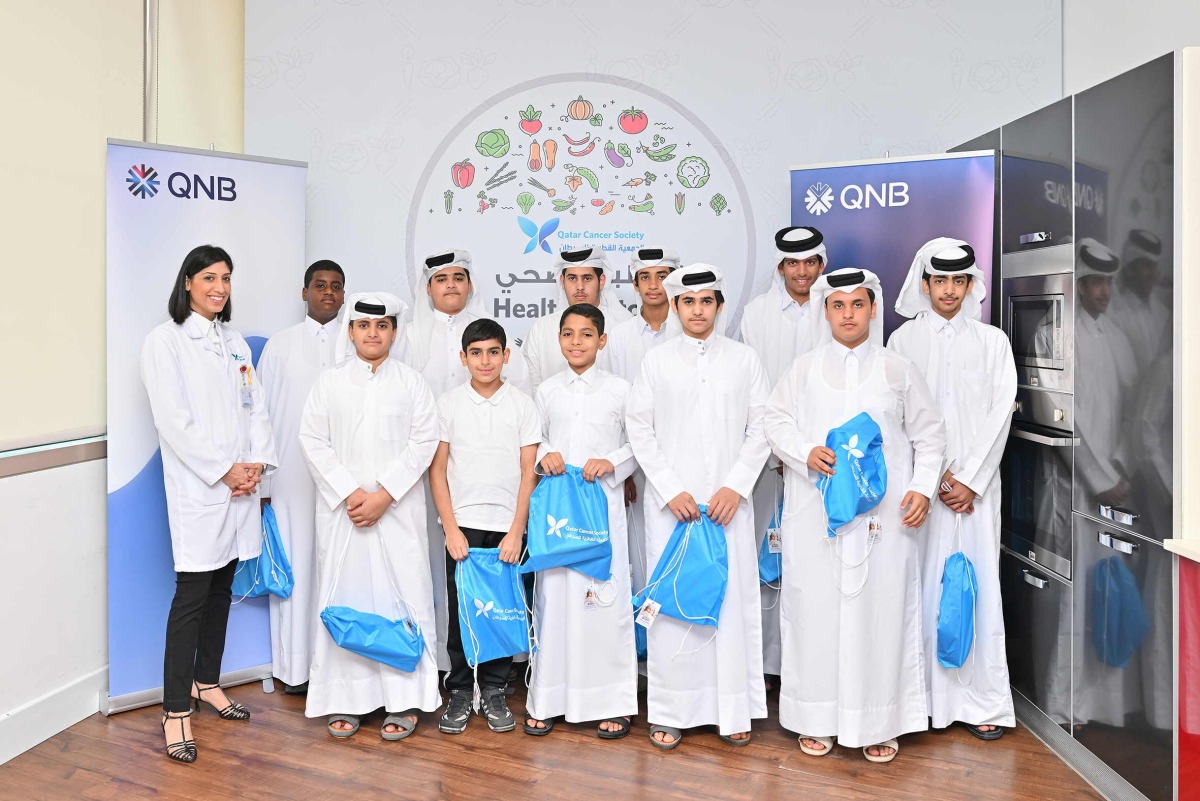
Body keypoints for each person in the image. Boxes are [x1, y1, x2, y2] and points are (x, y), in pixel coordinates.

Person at [764, 268, 944, 764]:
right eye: (838, 305)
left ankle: (878, 721)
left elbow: (931, 436)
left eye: (857, 304)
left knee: (880, 616)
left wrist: (922, 489)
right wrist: (804, 451)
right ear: (825, 311)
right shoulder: (803, 368)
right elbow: (774, 420)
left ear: (873, 308)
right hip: (816, 517)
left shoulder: (898, 369)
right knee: (815, 614)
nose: (848, 314)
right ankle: (815, 717)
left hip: (883, 522)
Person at [140, 244, 278, 763]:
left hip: (239, 486)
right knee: (193, 595)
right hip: (201, 488)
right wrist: (223, 470)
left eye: (226, 278)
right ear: (188, 283)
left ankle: (207, 682)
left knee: (223, 587)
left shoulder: (234, 342)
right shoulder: (166, 341)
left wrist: (256, 465)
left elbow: (255, 407)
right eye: (209, 278)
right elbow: (173, 420)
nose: (219, 287)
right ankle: (175, 708)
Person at [625, 264, 772, 750]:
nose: (697, 310)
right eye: (687, 302)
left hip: (730, 507)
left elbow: (762, 426)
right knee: (674, 605)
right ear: (675, 306)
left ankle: (733, 709)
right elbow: (639, 428)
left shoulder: (745, 359)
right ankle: (671, 711)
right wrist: (670, 489)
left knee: (731, 602)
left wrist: (736, 486)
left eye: (706, 301)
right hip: (673, 509)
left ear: (720, 306)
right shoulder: (657, 362)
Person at [888, 240, 1017, 739]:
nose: (948, 290)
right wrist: (930, 476)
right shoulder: (901, 342)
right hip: (918, 491)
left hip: (972, 493)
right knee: (915, 587)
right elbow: (896, 417)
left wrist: (969, 480)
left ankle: (979, 700)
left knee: (976, 583)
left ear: (970, 285)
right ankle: (916, 701)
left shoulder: (992, 342)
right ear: (924, 284)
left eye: (957, 281)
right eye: (939, 280)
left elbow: (1000, 412)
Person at [404, 248, 529, 670]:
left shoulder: (491, 334)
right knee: (433, 564)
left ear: (470, 285)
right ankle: (444, 665)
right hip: (426, 475)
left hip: (488, 490)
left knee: (487, 581)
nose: (451, 285)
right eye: (441, 279)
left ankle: (492, 668)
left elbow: (520, 410)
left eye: (458, 277)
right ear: (428, 289)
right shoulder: (410, 337)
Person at [525, 303, 639, 738]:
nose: (577, 342)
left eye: (586, 334)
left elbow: (640, 443)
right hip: (557, 512)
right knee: (554, 599)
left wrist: (612, 461)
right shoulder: (546, 391)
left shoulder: (621, 390)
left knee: (604, 601)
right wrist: (545, 454)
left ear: (602, 340)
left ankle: (613, 702)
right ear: (559, 340)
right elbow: (532, 439)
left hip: (601, 508)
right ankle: (548, 699)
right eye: (569, 334)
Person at [430, 318, 541, 734]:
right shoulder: (448, 404)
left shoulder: (523, 405)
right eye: (476, 353)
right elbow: (437, 471)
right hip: (464, 527)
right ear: (463, 358)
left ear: (506, 355)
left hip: (507, 529)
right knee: (462, 609)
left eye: (493, 352)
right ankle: (460, 689)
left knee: (502, 610)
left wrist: (517, 531)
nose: (485, 360)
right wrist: (451, 528)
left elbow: (529, 472)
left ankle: (494, 688)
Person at [737, 226, 828, 687]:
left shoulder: (836, 307)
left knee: (816, 559)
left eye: (810, 263)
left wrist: (807, 450)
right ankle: (768, 663)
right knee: (763, 556)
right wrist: (776, 445)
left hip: (823, 461)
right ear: (781, 267)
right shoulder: (756, 314)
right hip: (767, 459)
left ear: (821, 265)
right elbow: (751, 387)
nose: (802, 272)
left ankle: (809, 663)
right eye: (793, 263)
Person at [256, 259, 346, 695]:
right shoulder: (281, 344)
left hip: (344, 475)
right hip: (290, 471)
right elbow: (261, 413)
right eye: (320, 285)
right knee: (296, 563)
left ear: (344, 295)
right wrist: (263, 482)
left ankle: (338, 665)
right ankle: (295, 669)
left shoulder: (356, 341)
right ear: (304, 292)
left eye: (336, 286)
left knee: (339, 564)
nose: (328, 292)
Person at [599, 247, 681, 627]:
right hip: (632, 464)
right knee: (634, 551)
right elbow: (614, 406)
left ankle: (672, 633)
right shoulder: (618, 337)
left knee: (673, 549)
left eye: (662, 276)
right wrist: (625, 469)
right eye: (645, 277)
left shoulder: (689, 330)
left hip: (680, 460)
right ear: (634, 284)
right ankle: (639, 644)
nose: (653, 285)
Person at [1072, 239, 1137, 515]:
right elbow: (1067, 416)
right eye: (1098, 282)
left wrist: (1121, 463)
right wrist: (1100, 479)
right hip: (1078, 481)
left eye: (1109, 282)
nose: (1105, 291)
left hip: (1118, 477)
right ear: (1081, 287)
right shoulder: (1064, 336)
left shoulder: (1117, 337)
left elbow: (1135, 404)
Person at [523, 247, 633, 394]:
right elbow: (531, 387)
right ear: (562, 281)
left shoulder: (623, 326)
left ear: (601, 281)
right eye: (572, 278)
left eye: (587, 278)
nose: (580, 287)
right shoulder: (541, 328)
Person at [1108, 229, 1169, 371]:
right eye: (1146, 266)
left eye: (1154, 266)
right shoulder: (1114, 316)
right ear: (1129, 269)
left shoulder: (1162, 313)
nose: (1153, 274)